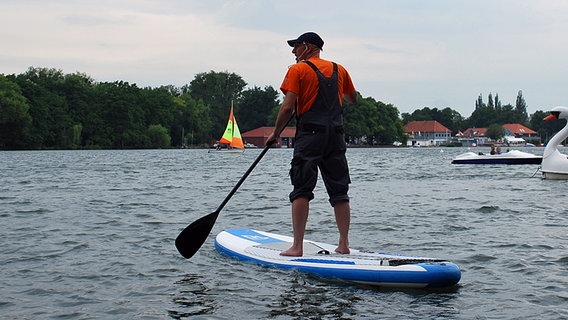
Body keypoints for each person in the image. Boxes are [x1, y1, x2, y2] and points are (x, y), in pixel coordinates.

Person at [266, 32, 358, 257]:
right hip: (335, 135)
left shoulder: (297, 70)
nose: (293, 51)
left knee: (301, 188)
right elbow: (353, 98)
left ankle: (297, 246)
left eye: (296, 47)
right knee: (339, 189)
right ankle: (343, 244)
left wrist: (275, 133)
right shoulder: (340, 69)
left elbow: (288, 107)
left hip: (310, 135)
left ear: (307, 47)